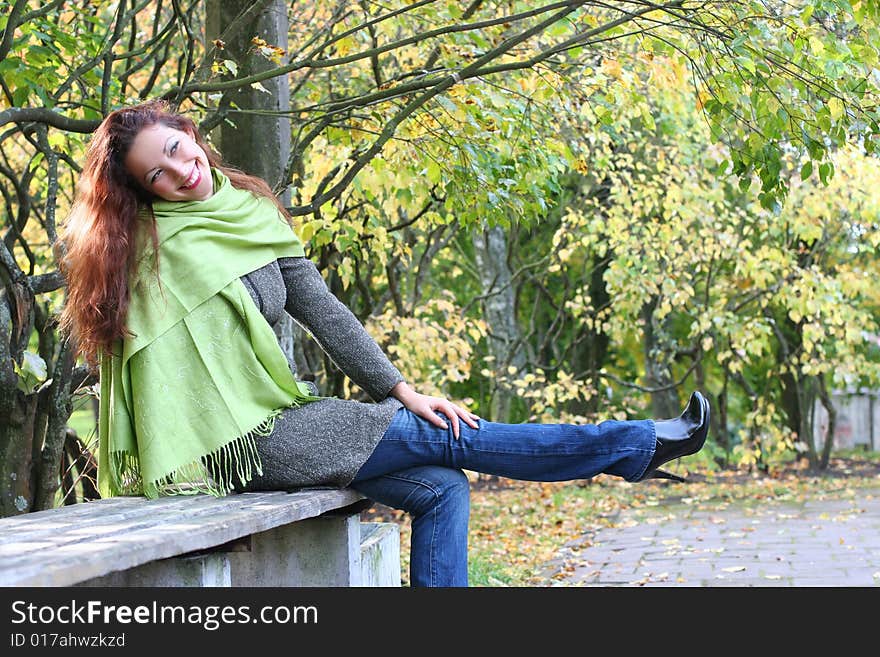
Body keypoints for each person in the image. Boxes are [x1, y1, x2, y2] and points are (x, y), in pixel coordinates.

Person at [58, 99, 710, 587]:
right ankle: (632, 443)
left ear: (190, 133)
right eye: (157, 175)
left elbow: (324, 310)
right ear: (143, 194)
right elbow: (144, 367)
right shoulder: (145, 255)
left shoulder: (249, 215)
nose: (180, 169)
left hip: (284, 416)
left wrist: (400, 388)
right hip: (231, 443)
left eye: (176, 147)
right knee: (448, 437)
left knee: (442, 485)